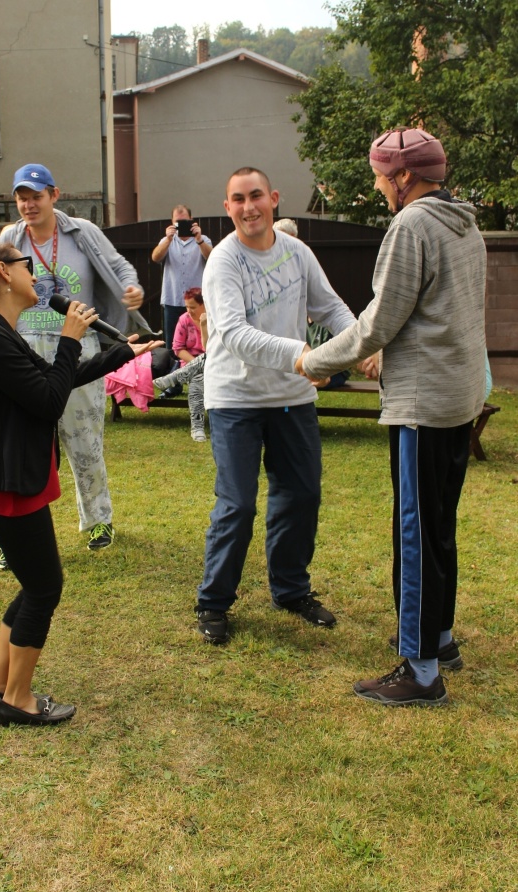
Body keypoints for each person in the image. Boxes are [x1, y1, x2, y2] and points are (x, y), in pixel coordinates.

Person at [296, 127, 487, 706]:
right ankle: (440, 640)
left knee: (416, 533)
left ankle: (421, 673)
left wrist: (313, 360)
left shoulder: (412, 225)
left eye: (381, 177)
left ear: (404, 177)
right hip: (457, 397)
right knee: (439, 524)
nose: (379, 187)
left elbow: (379, 321)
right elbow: (429, 311)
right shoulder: (464, 222)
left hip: (423, 405)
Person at [0, 240, 160, 726]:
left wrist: (121, 353)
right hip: (7, 490)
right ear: (4, 273)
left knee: (34, 585)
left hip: (11, 484)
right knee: (44, 590)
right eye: (26, 266)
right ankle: (16, 699)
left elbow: (53, 379)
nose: (35, 275)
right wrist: (69, 337)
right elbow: (48, 400)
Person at [195, 167, 356, 644]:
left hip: (292, 399)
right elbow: (234, 335)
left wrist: (359, 344)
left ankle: (290, 590)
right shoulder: (223, 261)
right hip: (236, 400)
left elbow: (331, 308)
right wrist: (302, 356)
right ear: (227, 207)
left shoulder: (297, 253)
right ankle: (213, 602)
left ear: (274, 199)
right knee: (238, 504)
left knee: (301, 494)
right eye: (238, 199)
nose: (249, 207)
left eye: (256, 196)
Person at [0, 163, 147, 555]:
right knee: (22, 445)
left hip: (78, 345)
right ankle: (16, 533)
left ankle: (98, 521)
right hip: (25, 348)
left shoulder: (82, 232)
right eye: (22, 198)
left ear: (54, 195)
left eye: (36, 196)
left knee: (84, 438)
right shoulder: (10, 238)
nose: (29, 205)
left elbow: (119, 265)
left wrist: (130, 286)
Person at [273, 219, 350, 389]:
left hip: (305, 365)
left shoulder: (304, 258)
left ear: (293, 236)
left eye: (282, 237)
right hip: (287, 365)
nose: (278, 243)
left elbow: (332, 309)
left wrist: (362, 343)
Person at [151, 205, 212, 354]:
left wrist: (199, 240)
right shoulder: (167, 241)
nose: (181, 225)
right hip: (173, 299)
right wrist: (168, 239)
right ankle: (173, 367)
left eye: (184, 221)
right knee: (172, 344)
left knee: (201, 342)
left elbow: (212, 258)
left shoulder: (203, 239)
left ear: (191, 220)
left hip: (197, 302)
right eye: (177, 222)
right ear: (172, 222)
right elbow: (155, 257)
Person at [160, 287, 208, 441]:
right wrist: (196, 364)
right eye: (186, 306)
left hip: (214, 362)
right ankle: (197, 428)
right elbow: (178, 348)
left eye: (192, 307)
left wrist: (204, 325)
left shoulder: (216, 318)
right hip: (190, 364)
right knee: (197, 377)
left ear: (204, 304)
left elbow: (214, 350)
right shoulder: (184, 320)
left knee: (198, 373)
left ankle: (197, 427)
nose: (189, 310)